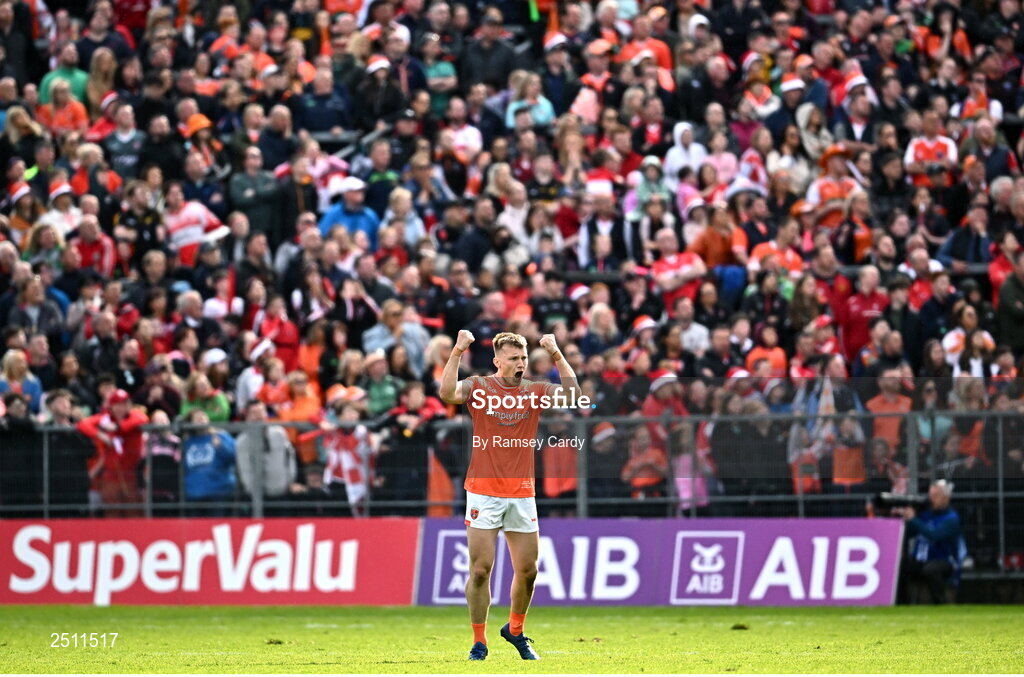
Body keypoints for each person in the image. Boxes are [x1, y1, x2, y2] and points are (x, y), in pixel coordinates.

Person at [440, 330, 580, 661]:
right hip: (483, 491)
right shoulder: (479, 387)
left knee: (528, 571)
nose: (520, 363)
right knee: (480, 570)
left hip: (521, 492)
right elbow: (447, 392)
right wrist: (458, 350)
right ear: (497, 361)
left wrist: (556, 353)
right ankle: (479, 640)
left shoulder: (534, 391)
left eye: (524, 358)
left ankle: (515, 631)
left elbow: (573, 396)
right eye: (514, 358)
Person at [901, 480, 965, 604]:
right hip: (920, 559)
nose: (932, 499)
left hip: (944, 560)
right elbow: (909, 533)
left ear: (946, 498)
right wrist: (908, 520)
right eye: (931, 496)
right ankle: (902, 602)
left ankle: (940, 602)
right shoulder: (926, 515)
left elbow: (934, 535)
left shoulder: (951, 518)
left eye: (936, 496)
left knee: (930, 570)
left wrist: (914, 519)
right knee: (901, 566)